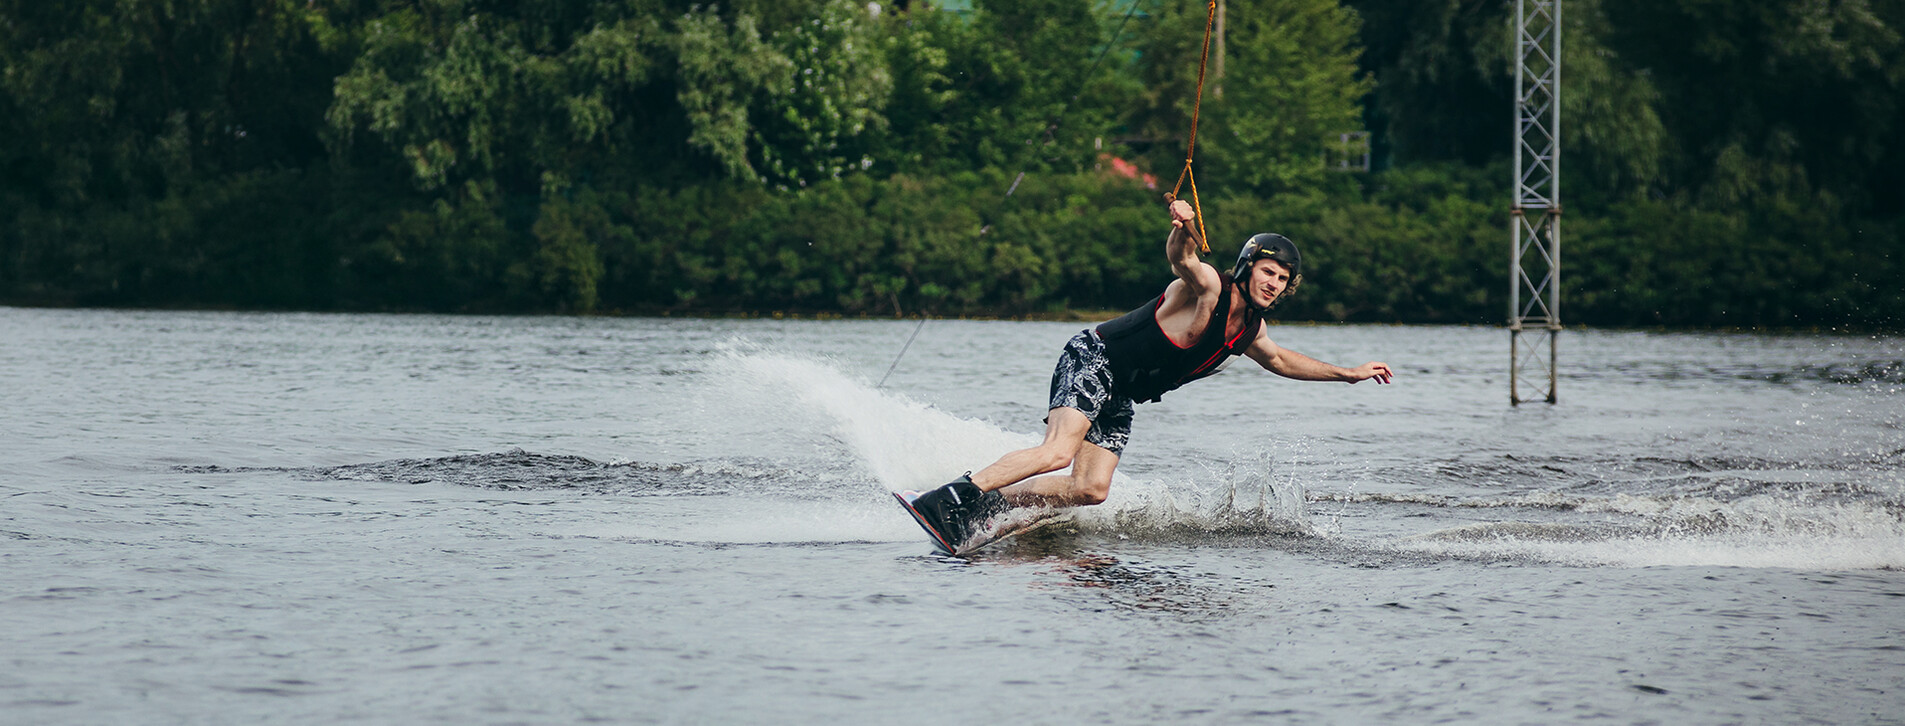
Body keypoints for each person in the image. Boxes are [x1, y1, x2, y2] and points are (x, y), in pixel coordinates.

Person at [898, 199, 1394, 552]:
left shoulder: (1250, 330)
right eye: (1269, 272)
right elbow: (1183, 259)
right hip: (1094, 359)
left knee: (1090, 490)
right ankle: (948, 498)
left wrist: (1347, 374)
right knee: (1057, 453)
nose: (1274, 284)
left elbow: (1283, 361)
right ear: (1248, 266)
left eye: (1283, 280)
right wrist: (1182, 224)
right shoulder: (1209, 287)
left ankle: (988, 508)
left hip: (1122, 395)